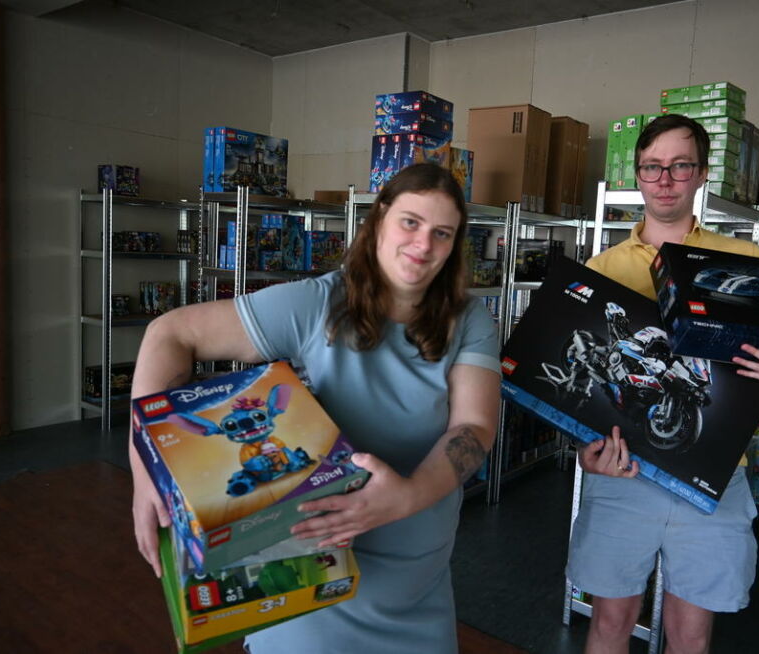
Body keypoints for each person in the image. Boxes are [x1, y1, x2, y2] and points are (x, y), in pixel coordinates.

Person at [129, 163, 502, 653]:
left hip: (420, 588)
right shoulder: (319, 304)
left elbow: (475, 426)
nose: (423, 244)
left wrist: (406, 496)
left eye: (442, 233)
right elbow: (170, 334)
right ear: (381, 219)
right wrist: (147, 471)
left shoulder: (469, 319)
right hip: (309, 582)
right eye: (410, 222)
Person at [567, 114, 759, 654]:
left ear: (702, 174)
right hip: (623, 474)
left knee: (691, 635)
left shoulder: (747, 265)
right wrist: (582, 451)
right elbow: (576, 388)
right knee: (610, 622)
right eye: (652, 167)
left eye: (680, 166)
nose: (665, 179)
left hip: (715, 477)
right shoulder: (600, 269)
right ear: (636, 175)